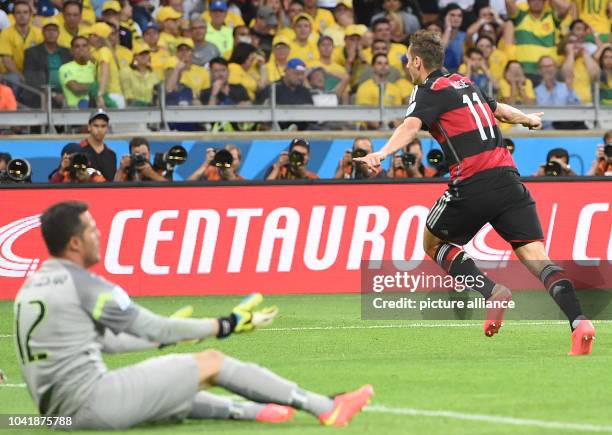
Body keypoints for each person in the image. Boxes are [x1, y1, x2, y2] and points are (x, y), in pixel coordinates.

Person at [14, 200, 372, 429]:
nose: (99, 234)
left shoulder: (33, 287)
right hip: (92, 405)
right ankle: (326, 407)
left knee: (168, 389)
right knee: (211, 362)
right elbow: (153, 325)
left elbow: (108, 343)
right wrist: (225, 325)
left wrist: (170, 337)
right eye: (91, 229)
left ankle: (255, 412)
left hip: (55, 418)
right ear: (75, 243)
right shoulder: (87, 285)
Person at [355, 30, 595, 356]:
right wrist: (528, 120)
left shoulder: (428, 89)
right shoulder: (464, 83)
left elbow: (411, 126)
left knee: (433, 243)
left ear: (416, 61)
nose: (408, 67)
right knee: (537, 258)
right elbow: (501, 111)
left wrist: (381, 154)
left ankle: (491, 291)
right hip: (510, 180)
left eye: (408, 61)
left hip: (472, 183)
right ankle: (579, 322)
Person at [505, 0, 569, 80]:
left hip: (547, 72)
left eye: (540, 0)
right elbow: (508, 2)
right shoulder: (520, 16)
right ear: (528, 2)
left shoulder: (551, 17)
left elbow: (565, 7)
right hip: (525, 71)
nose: (536, 2)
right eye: (533, 0)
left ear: (544, 2)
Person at [23, 19, 72, 108]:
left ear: (58, 33)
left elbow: (72, 75)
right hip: (41, 93)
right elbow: (31, 78)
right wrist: (52, 94)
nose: (51, 33)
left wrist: (65, 94)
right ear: (42, 32)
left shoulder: (67, 52)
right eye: (48, 30)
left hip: (65, 93)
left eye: (54, 30)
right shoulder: (32, 53)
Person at [256, 58, 314, 130]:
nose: (300, 77)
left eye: (302, 74)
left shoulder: (305, 92)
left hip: (302, 130)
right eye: (297, 73)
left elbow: (311, 116)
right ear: (286, 71)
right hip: (277, 130)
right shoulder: (272, 89)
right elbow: (259, 114)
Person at [0, 0, 43, 87]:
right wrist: (21, 76)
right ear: (14, 16)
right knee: (14, 78)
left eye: (25, 12)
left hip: (32, 72)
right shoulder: (6, 33)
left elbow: (42, 57)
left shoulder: (38, 33)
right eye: (18, 12)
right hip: (11, 73)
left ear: (30, 15)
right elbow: (7, 61)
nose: (22, 15)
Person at [534, 55, 583, 130]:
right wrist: (548, 87)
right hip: (544, 131)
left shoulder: (565, 87)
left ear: (555, 68)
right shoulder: (536, 91)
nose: (548, 69)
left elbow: (577, 108)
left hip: (567, 128)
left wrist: (570, 88)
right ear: (539, 70)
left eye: (550, 66)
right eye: (544, 66)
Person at [79, 109, 117, 181]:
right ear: (89, 127)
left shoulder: (112, 155)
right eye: (96, 126)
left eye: (103, 126)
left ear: (107, 128)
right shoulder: (79, 150)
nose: (99, 129)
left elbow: (111, 182)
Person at [59, 36, 96, 109]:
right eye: (77, 46)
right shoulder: (65, 68)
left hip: (96, 108)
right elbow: (76, 88)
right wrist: (94, 86)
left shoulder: (94, 66)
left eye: (84, 46)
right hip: (74, 110)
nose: (81, 49)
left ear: (89, 49)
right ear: (72, 51)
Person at [119, 41, 160, 107]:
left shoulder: (154, 75)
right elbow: (128, 97)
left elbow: (157, 96)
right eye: (141, 54)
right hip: (133, 110)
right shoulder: (126, 72)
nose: (144, 56)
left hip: (152, 111)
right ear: (135, 57)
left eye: (146, 53)